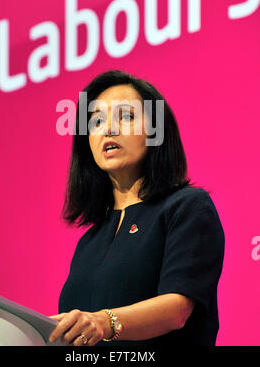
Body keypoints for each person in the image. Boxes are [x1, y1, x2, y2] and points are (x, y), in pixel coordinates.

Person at [49, 70, 225, 347]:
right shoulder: (90, 240)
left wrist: (104, 322)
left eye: (126, 117)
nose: (109, 129)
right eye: (96, 121)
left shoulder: (187, 207)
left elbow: (177, 310)